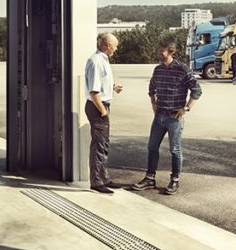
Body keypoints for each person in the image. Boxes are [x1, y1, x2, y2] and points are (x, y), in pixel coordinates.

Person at [129, 38, 202, 195]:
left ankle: (175, 181)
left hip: (174, 118)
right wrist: (153, 103)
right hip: (159, 116)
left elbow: (197, 90)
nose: (159, 52)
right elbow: (151, 88)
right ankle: (150, 179)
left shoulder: (182, 69)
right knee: (152, 147)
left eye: (162, 50)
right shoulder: (158, 69)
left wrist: (186, 108)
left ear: (171, 52)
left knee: (175, 150)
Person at [84, 33, 123, 194]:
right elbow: (94, 92)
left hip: (102, 105)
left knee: (104, 144)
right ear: (107, 46)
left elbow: (101, 83)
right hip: (97, 107)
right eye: (115, 46)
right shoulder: (96, 61)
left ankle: (103, 177)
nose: (116, 48)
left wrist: (113, 87)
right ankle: (96, 181)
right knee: (99, 145)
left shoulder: (103, 60)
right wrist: (103, 111)